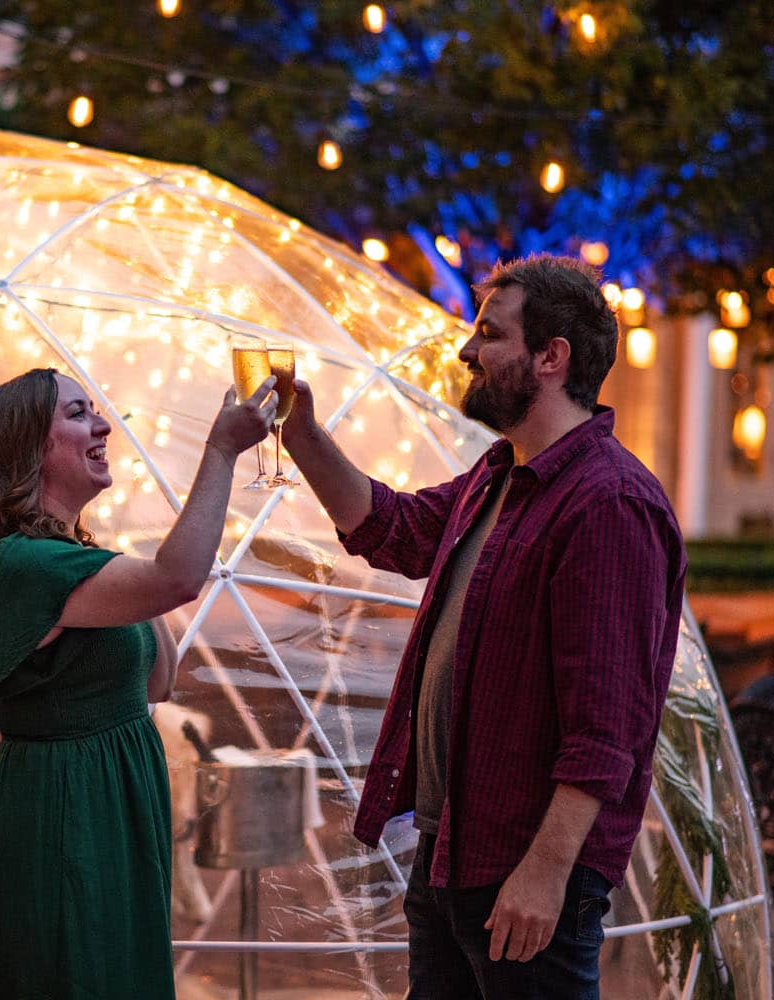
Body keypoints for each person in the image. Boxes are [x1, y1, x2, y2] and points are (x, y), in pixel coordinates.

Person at [280, 254, 685, 999]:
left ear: (551, 357)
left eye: (490, 335)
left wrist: (545, 871)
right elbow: (392, 529)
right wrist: (300, 433)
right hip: (453, 855)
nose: (467, 351)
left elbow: (607, 730)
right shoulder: (500, 476)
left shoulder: (607, 504)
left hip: (525, 875)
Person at [0, 366, 276, 998]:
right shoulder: (21, 565)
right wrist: (220, 451)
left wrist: (120, 564)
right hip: (63, 812)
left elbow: (159, 682)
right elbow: (176, 581)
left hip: (113, 805)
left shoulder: (73, 559)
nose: (103, 425)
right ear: (28, 449)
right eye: (77, 414)